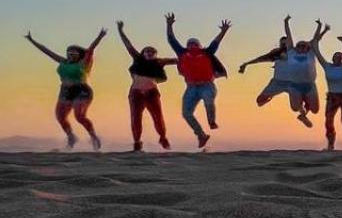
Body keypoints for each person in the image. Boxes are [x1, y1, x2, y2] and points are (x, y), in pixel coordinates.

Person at [25, 27, 106, 150]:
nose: (70, 54)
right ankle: (71, 137)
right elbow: (47, 51)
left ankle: (93, 137)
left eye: (74, 52)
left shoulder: (83, 63)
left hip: (81, 91)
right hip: (65, 91)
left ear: (79, 55)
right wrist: (32, 40)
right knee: (60, 117)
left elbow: (90, 50)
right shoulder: (63, 61)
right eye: (69, 52)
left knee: (79, 116)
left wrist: (100, 36)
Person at [165, 12, 231, 148]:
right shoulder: (182, 53)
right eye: (189, 43)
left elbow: (216, 42)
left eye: (194, 43)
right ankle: (201, 135)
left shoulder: (206, 52)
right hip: (191, 88)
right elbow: (171, 40)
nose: (192, 45)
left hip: (207, 85)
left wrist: (223, 31)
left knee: (208, 101)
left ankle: (211, 121)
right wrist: (169, 24)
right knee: (186, 113)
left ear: (199, 45)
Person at [244, 16, 324, 127]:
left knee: (299, 104)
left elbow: (314, 41)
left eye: (285, 43)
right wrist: (247, 64)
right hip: (277, 82)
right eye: (282, 43)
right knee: (259, 101)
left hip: (292, 83)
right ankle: (273, 98)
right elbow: (261, 58)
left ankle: (303, 114)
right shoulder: (277, 53)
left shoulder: (296, 51)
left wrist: (322, 30)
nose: (284, 45)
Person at [116, 21, 176, 151]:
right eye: (146, 51)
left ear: (155, 54)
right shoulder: (138, 59)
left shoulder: (159, 62)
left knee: (158, 117)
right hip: (136, 93)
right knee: (136, 118)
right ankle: (137, 142)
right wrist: (121, 31)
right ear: (143, 53)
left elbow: (177, 60)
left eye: (152, 52)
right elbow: (128, 45)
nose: (149, 53)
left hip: (151, 93)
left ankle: (163, 138)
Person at [315, 31, 342, 151]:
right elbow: (318, 54)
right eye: (335, 56)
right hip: (332, 96)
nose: (337, 58)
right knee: (328, 121)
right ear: (332, 59)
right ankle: (330, 144)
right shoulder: (327, 67)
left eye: (339, 57)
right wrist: (317, 41)